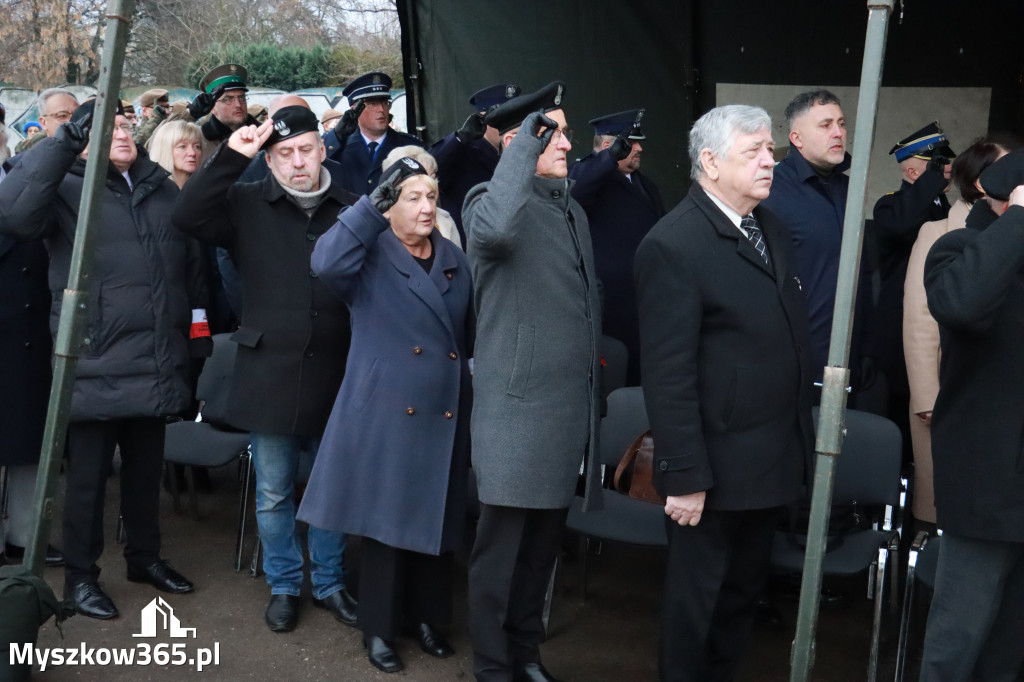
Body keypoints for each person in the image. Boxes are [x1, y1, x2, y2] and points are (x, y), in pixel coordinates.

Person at [634, 104, 814, 682]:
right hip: (711, 469)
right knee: (698, 608)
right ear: (709, 163)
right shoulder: (674, 245)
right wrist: (684, 476)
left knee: (740, 601)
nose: (770, 162)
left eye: (771, 150)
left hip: (768, 457)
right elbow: (668, 373)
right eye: (755, 151)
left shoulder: (770, 228)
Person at [0, 99, 198, 619]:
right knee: (86, 486)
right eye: (108, 129)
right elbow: (16, 213)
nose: (124, 134)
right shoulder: (68, 189)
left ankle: (145, 557)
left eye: (127, 125)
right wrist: (65, 142)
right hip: (94, 363)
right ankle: (82, 580)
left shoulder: (159, 189)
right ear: (86, 140)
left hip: (153, 358)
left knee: (144, 472)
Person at [172, 106, 357, 634]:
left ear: (323, 150)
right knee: (274, 490)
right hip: (269, 369)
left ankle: (330, 582)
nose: (297, 163)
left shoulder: (351, 208)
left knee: (331, 486)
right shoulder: (246, 202)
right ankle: (283, 584)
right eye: (283, 155)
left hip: (338, 369)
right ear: (270, 162)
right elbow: (186, 215)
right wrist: (234, 155)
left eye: (305, 150)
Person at [298, 157, 474, 674]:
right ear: (387, 208)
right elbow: (325, 262)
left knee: (437, 519)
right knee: (384, 527)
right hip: (386, 410)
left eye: (431, 198)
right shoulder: (367, 252)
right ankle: (379, 629)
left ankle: (426, 618)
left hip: (442, 407)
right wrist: (367, 209)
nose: (425, 208)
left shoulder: (452, 259)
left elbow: (466, 334)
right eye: (412, 198)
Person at [463, 81, 603, 682]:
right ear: (521, 142)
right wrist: (520, 147)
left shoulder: (570, 207)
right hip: (516, 412)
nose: (568, 143)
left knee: (542, 551)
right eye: (555, 133)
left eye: (567, 132)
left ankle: (525, 652)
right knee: (501, 555)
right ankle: (494, 665)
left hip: (564, 410)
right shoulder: (482, 202)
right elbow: (494, 233)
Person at [918, 148, 1024, 681]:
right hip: (986, 484)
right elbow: (960, 303)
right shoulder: (958, 248)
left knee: (1008, 648)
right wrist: (1021, 219)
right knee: (958, 640)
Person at [903, 136, 1015, 526]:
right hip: (948, 392)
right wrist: (928, 395)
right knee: (945, 505)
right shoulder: (938, 233)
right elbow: (919, 322)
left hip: (998, 408)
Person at [760, 90, 872, 388]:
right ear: (796, 138)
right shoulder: (770, 191)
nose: (838, 132)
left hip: (849, 362)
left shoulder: (851, 189)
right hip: (795, 368)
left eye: (841, 123)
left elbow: (862, 272)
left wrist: (866, 346)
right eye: (825, 125)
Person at [871, 122, 956, 457]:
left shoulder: (940, 207)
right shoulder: (890, 205)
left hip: (935, 321)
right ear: (912, 170)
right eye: (935, 164)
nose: (945, 169)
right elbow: (902, 225)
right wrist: (933, 181)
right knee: (901, 412)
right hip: (901, 325)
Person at [569, 108, 664, 386]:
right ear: (610, 146)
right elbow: (573, 189)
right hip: (612, 304)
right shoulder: (590, 177)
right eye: (631, 142)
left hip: (646, 298)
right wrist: (607, 159)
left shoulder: (645, 184)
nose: (639, 148)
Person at [430, 83, 521, 245]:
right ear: (484, 119)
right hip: (471, 253)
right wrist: (460, 138)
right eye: (504, 117)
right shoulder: (461, 151)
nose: (513, 124)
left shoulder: (521, 153)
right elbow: (428, 168)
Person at [324, 71, 423, 195]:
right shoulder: (337, 146)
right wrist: (336, 135)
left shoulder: (410, 147)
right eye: (372, 103)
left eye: (385, 102)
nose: (381, 109)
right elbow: (316, 162)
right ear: (355, 109)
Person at [381, 145, 461, 248]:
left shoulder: (445, 220)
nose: (432, 186)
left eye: (433, 178)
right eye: (421, 178)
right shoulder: (375, 232)